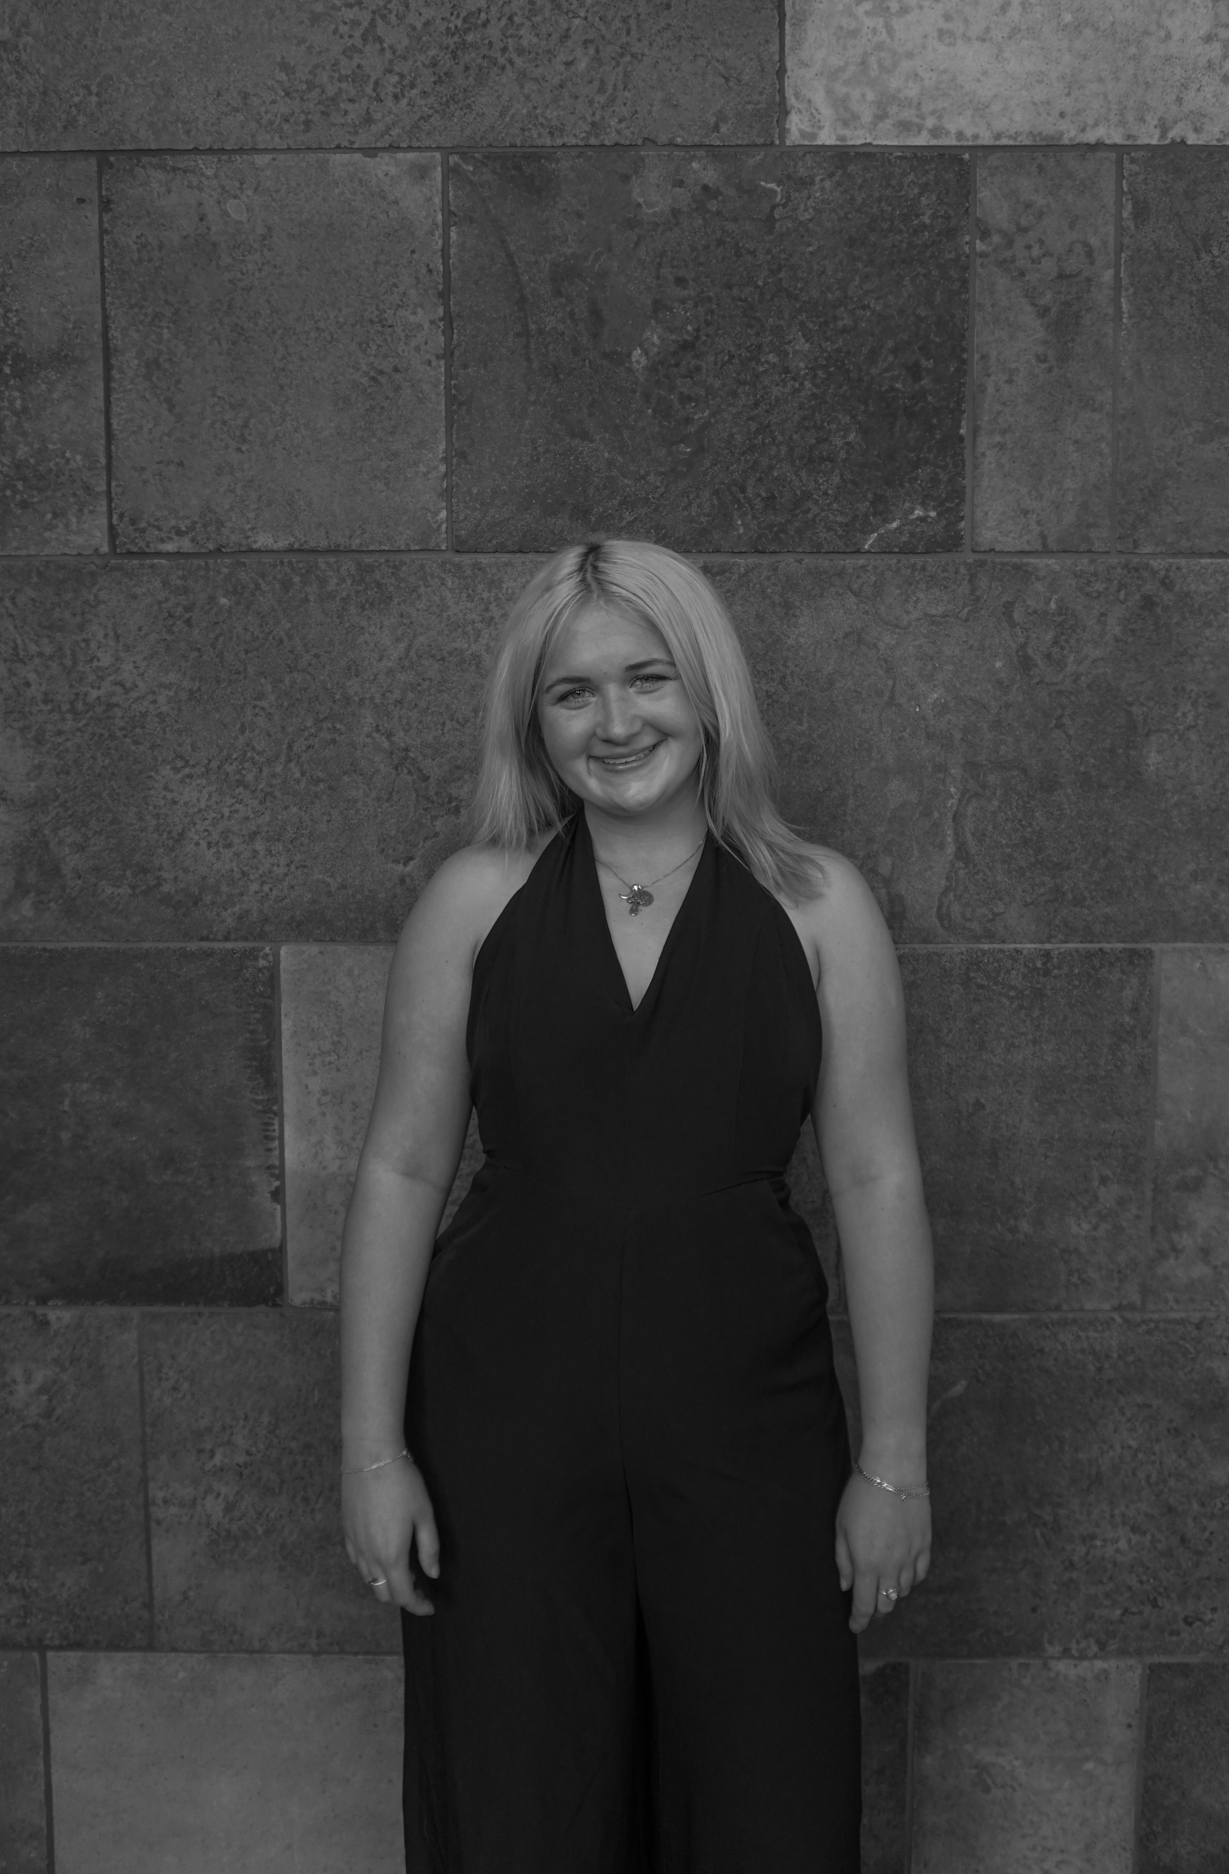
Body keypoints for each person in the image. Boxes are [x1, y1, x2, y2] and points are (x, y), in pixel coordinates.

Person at [339, 538, 934, 1872]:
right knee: (517, 1799)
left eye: (647, 677)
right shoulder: (471, 903)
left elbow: (873, 1180)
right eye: (573, 693)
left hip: (750, 1429)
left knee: (765, 1801)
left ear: (706, 689)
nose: (616, 722)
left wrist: (891, 1462)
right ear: (533, 724)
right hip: (503, 1429)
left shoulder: (820, 907)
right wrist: (371, 1453)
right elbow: (401, 1169)